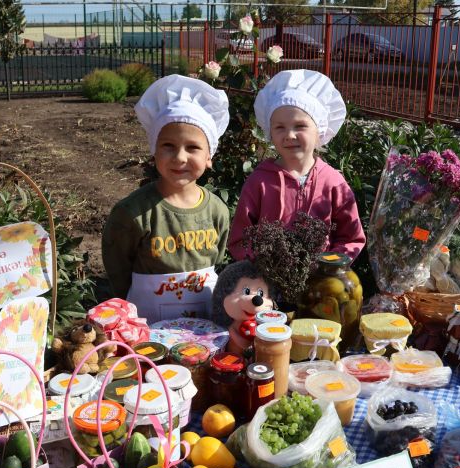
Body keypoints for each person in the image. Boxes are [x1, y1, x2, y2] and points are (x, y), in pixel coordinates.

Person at [102, 75, 230, 323]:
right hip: (148, 324)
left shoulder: (217, 211)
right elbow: (118, 267)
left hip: (202, 325)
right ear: (154, 150)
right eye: (168, 145)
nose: (180, 157)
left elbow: (217, 258)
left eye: (193, 147)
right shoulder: (133, 213)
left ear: (209, 156)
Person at [227, 69, 365, 261]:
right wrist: (260, 265)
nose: (290, 135)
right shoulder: (259, 182)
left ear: (320, 130)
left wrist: (330, 267)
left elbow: (350, 237)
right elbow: (240, 239)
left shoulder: (333, 182)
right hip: (267, 283)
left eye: (300, 126)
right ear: (269, 132)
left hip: (320, 283)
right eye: (279, 127)